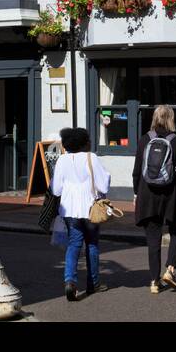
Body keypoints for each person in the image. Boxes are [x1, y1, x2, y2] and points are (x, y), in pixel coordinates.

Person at [132, 104, 176, 294]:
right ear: (171, 119)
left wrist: (136, 193)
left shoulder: (144, 140)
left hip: (148, 194)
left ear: (154, 119)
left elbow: (136, 171)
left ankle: (154, 281)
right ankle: (170, 269)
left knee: (153, 238)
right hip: (172, 193)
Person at [50, 126, 111, 301]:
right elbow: (103, 186)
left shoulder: (62, 160)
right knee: (92, 244)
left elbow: (55, 189)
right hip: (90, 208)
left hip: (69, 209)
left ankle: (70, 281)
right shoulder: (91, 158)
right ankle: (93, 283)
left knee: (74, 244)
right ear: (84, 143)